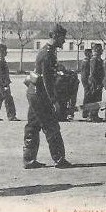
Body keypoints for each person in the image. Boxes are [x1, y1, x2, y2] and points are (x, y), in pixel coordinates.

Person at [23, 24, 72, 169]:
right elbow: (47, 82)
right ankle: (59, 159)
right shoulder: (47, 54)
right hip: (40, 95)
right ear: (55, 36)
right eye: (63, 37)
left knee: (33, 125)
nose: (64, 41)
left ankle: (29, 160)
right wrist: (54, 101)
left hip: (34, 93)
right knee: (51, 126)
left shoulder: (48, 51)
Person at [0, 44, 19, 121]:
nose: (6, 52)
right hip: (2, 83)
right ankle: (11, 116)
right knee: (8, 99)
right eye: (5, 51)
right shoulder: (1, 61)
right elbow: (1, 74)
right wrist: (5, 85)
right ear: (2, 51)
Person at [87, 43, 104, 122]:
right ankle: (91, 116)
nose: (102, 51)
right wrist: (96, 84)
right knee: (94, 99)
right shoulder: (94, 60)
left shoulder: (99, 59)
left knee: (98, 99)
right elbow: (93, 73)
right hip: (95, 83)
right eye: (100, 49)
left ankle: (95, 115)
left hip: (99, 82)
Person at [80, 48, 93, 120]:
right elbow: (85, 73)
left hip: (85, 80)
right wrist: (88, 81)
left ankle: (86, 113)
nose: (92, 54)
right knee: (87, 97)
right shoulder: (86, 62)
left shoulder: (86, 61)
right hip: (86, 81)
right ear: (88, 54)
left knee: (87, 96)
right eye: (91, 53)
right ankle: (85, 113)